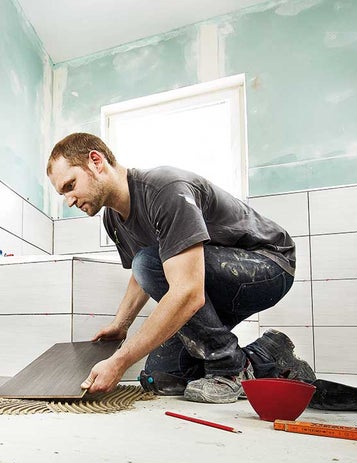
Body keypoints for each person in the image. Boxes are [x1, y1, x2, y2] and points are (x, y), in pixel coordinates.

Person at [46, 132, 320, 405]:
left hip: (269, 265)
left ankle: (230, 368)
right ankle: (268, 354)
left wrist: (119, 361)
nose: (69, 200)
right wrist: (120, 325)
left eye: (70, 185)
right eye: (62, 194)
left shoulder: (164, 189)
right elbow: (141, 277)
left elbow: (185, 289)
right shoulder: (113, 220)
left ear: (96, 161)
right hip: (213, 277)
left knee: (150, 263)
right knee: (161, 375)